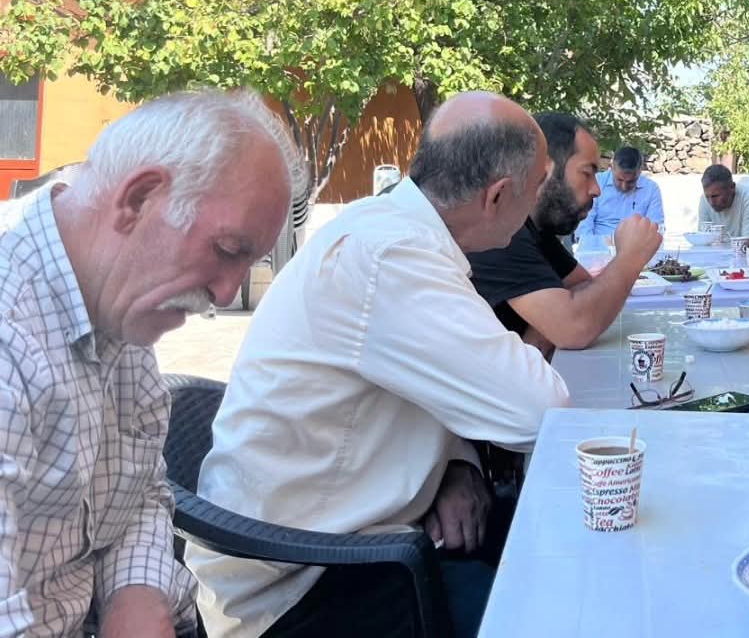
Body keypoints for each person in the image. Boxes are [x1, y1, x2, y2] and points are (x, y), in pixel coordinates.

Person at [190, 92, 572, 638]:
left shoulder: (391, 230)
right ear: (497, 195)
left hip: (353, 541)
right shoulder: (391, 256)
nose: (538, 201)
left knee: (552, 549)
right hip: (298, 584)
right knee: (565, 598)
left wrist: (456, 464)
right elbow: (541, 413)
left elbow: (419, 384)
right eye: (537, 185)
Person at [0, 90, 303, 638]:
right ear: (138, 199)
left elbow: (138, 491)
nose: (226, 293)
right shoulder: (11, 338)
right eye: (226, 250)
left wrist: (135, 593)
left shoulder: (120, 313)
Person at [469, 116, 662, 354]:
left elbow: (587, 293)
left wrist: (554, 319)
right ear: (543, 169)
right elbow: (577, 329)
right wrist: (630, 257)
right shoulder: (499, 234)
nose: (597, 189)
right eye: (587, 173)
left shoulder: (535, 228)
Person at [576, 145, 665, 240]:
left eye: (631, 182)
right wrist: (593, 245)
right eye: (619, 179)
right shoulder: (596, 183)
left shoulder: (651, 189)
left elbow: (655, 229)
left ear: (640, 171)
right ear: (612, 167)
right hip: (597, 243)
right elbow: (583, 227)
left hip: (636, 245)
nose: (624, 186)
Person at [697, 164, 749, 248]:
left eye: (716, 196)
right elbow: (704, 238)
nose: (711, 202)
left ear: (732, 187)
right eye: (707, 196)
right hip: (727, 252)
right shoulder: (704, 199)